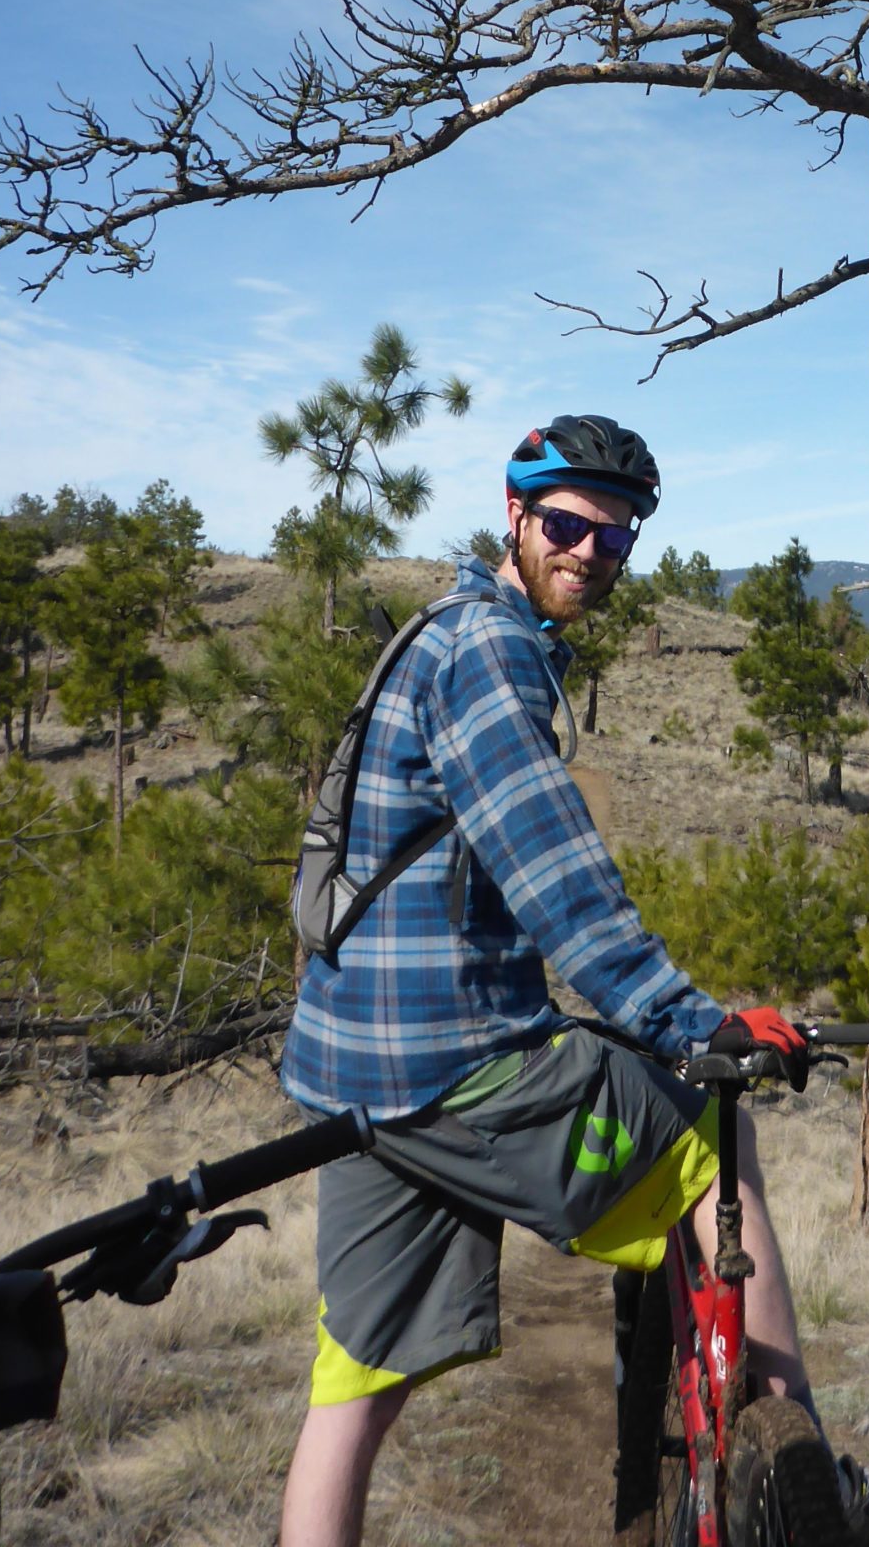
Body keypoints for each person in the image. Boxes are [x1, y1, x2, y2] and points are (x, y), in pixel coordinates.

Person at [277, 414, 817, 1547]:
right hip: (453, 1061)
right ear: (514, 516)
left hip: (357, 1072)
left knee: (353, 1383)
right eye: (566, 525)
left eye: (612, 541)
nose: (587, 553)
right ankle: (794, 1468)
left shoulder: (437, 630)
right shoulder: (490, 648)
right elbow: (558, 881)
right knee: (713, 1140)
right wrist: (695, 1025)